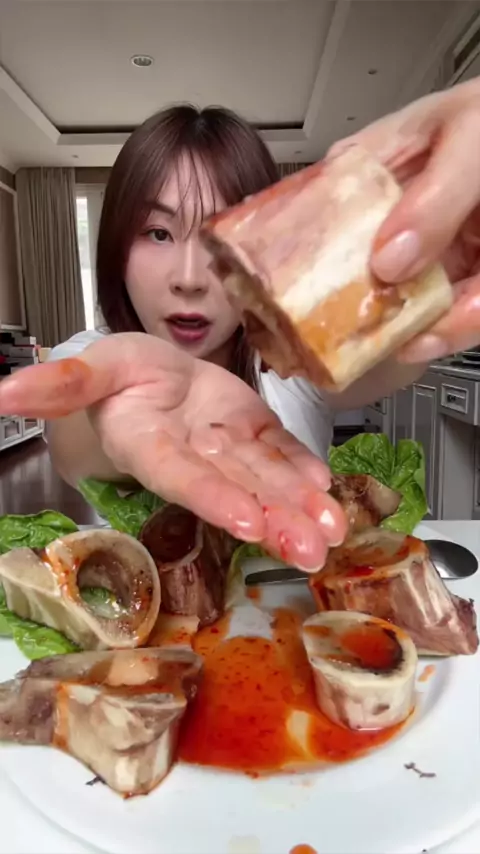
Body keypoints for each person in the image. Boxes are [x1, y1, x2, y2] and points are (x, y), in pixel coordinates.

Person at [1, 78, 480, 569]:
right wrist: (114, 405)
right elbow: (75, 443)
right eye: (158, 233)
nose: (189, 278)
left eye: (217, 239)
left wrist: (441, 264)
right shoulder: (86, 356)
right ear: (116, 246)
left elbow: (404, 352)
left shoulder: (297, 369)